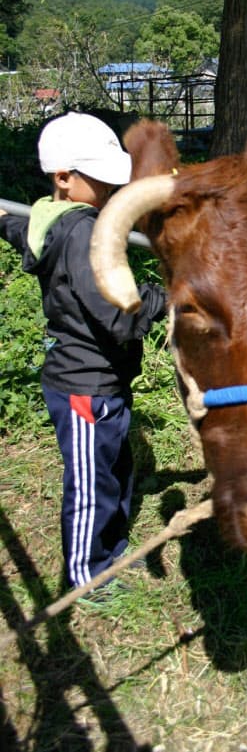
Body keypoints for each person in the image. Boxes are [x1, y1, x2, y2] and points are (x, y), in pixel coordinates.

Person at [0, 111, 166, 594]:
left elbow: (19, 229)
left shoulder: (47, 220)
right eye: (102, 179)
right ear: (65, 178)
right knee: (92, 484)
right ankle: (86, 574)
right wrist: (163, 296)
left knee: (115, 469)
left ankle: (110, 552)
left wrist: (6, 221)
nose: (113, 189)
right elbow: (120, 314)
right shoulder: (87, 235)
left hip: (102, 379)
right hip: (84, 384)